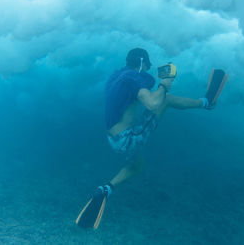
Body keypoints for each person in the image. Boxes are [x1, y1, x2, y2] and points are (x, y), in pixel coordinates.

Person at [76, 48, 216, 228]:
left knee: (137, 166)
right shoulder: (134, 78)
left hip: (114, 138)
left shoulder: (116, 76)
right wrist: (164, 84)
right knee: (166, 99)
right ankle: (206, 103)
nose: (149, 70)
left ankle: (105, 190)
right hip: (127, 138)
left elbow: (133, 98)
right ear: (142, 63)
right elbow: (153, 102)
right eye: (148, 65)